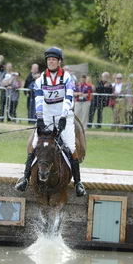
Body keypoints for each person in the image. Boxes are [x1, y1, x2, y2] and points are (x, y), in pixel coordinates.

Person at [15, 47, 86, 197]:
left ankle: (78, 183)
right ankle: (26, 179)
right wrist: (40, 117)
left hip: (64, 115)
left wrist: (63, 117)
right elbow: (39, 99)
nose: (51, 62)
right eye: (49, 60)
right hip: (46, 116)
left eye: (54, 59)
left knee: (71, 147)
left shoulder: (67, 78)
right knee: (34, 146)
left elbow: (69, 98)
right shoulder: (40, 80)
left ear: (59, 61)